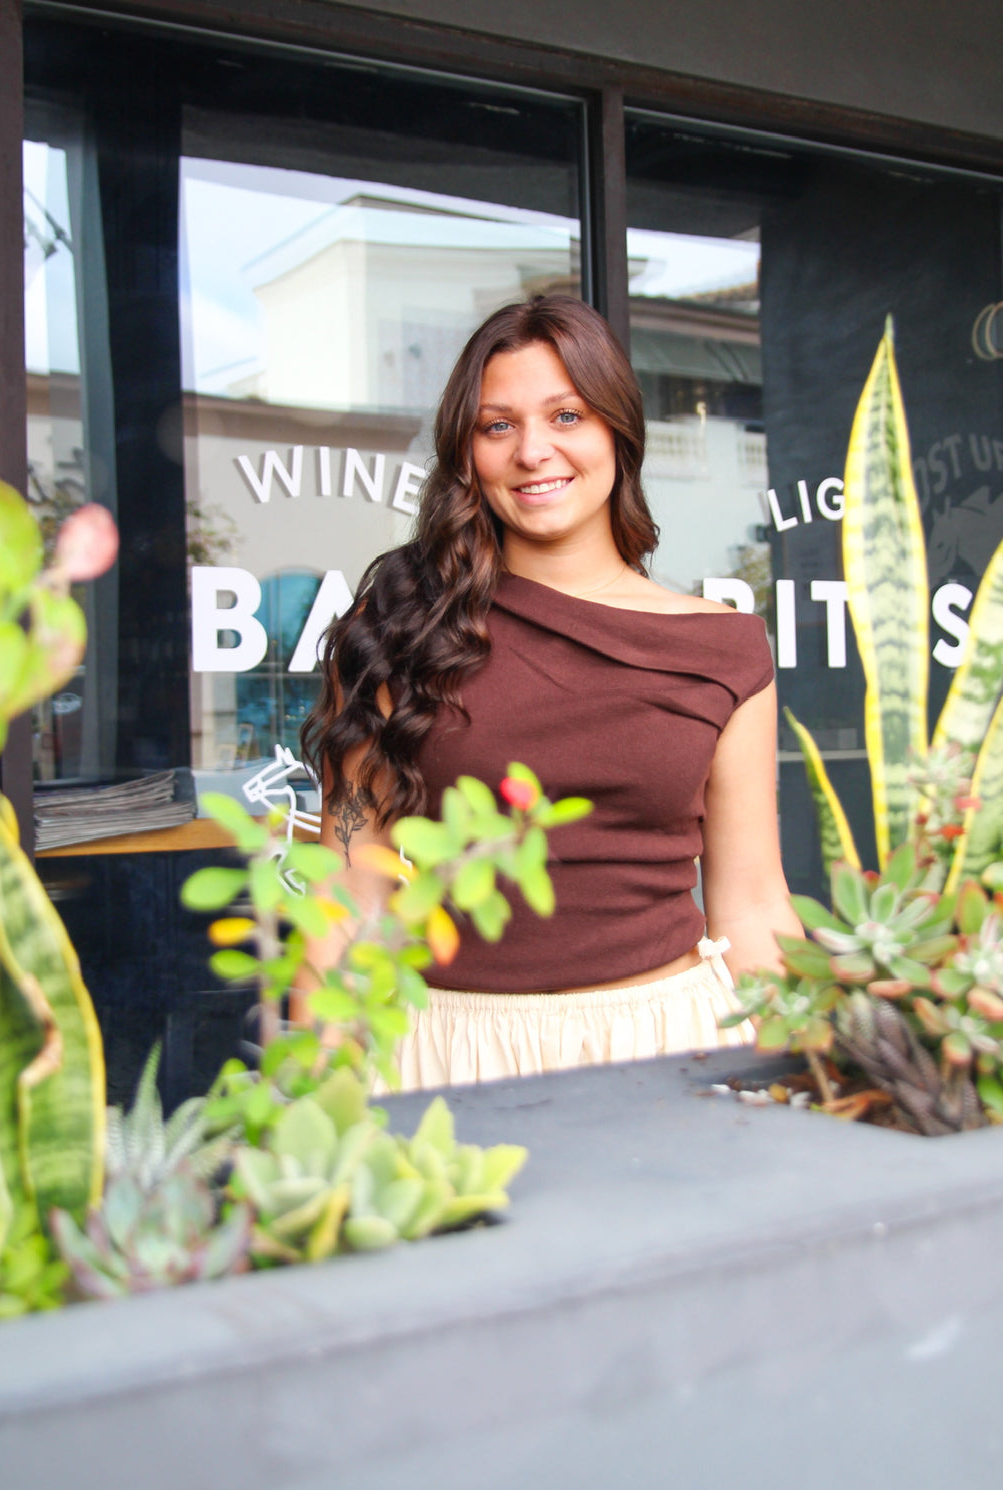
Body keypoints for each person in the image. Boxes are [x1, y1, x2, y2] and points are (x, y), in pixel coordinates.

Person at [300, 294, 801, 1089]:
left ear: (616, 431)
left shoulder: (724, 647)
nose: (534, 450)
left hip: (669, 1045)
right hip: (441, 1053)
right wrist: (311, 1090)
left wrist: (810, 1078)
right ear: (468, 452)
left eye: (566, 416)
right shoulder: (395, 627)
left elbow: (752, 905)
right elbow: (353, 879)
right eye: (498, 425)